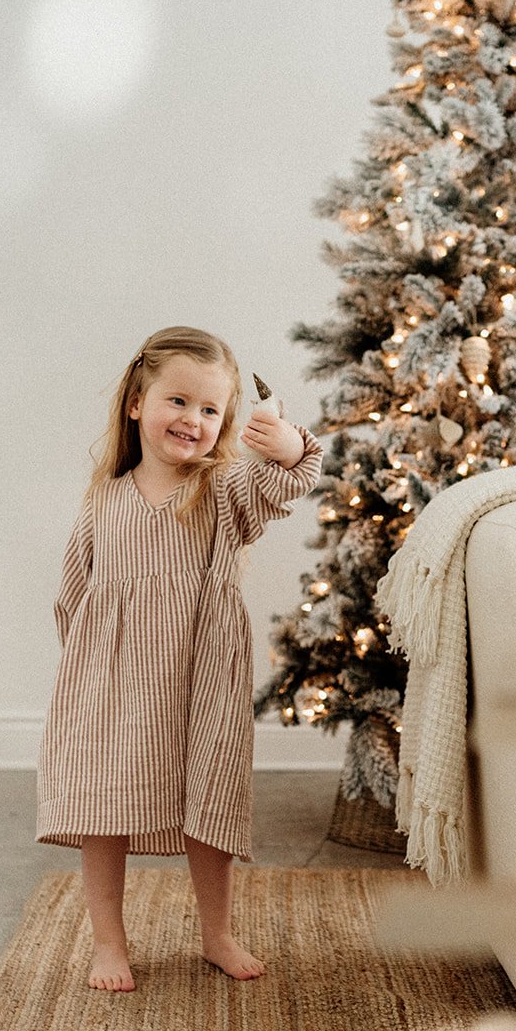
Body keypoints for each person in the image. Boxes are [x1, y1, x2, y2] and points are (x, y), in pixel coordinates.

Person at [36, 325, 322, 990]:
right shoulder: (101, 504)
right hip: (112, 687)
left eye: (210, 409)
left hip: (201, 680)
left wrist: (287, 444)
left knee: (208, 801)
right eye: (178, 401)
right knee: (102, 810)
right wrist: (87, 679)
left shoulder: (223, 492)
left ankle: (216, 931)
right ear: (137, 401)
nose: (193, 419)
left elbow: (286, 481)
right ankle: (110, 941)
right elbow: (72, 598)